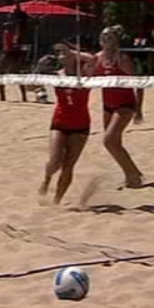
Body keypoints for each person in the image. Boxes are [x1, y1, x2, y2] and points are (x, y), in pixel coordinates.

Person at [67, 26, 146, 188]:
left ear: (116, 40)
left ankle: (133, 175)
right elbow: (85, 77)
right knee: (114, 143)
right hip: (107, 105)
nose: (104, 39)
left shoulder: (121, 59)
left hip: (125, 104)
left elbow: (139, 83)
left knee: (109, 140)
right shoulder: (97, 58)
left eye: (109, 37)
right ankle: (133, 173)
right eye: (103, 36)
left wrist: (139, 109)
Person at [40, 44, 96, 205]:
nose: (62, 56)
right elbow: (31, 84)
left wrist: (71, 51)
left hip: (81, 124)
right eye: (59, 54)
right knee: (55, 160)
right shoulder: (57, 75)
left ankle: (57, 200)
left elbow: (93, 59)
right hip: (60, 121)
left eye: (64, 53)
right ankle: (47, 178)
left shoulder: (84, 73)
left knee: (68, 165)